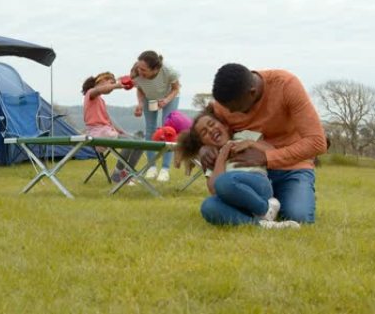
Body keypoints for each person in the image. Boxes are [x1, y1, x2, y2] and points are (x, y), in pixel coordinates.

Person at [198, 63, 327, 223]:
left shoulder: (286, 86)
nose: (230, 113)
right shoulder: (226, 103)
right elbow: (206, 130)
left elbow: (317, 142)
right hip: (248, 175)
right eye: (226, 108)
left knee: (298, 216)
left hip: (291, 169)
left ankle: (291, 196)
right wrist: (203, 148)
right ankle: (264, 218)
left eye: (236, 109)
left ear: (251, 93)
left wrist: (266, 157)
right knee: (210, 206)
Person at [176, 108, 300, 229]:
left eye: (212, 124)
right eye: (204, 133)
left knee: (224, 181)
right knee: (208, 206)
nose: (210, 130)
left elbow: (273, 152)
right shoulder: (212, 158)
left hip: (257, 185)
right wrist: (222, 157)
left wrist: (251, 143)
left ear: (224, 126)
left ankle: (265, 208)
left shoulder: (244, 136)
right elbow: (214, 190)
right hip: (234, 199)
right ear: (203, 142)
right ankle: (261, 225)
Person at [82, 72, 142, 183]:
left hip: (108, 131)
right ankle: (118, 173)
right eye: (110, 83)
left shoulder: (101, 101)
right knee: (129, 142)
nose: (112, 88)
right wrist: (117, 85)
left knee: (140, 143)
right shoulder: (91, 93)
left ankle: (128, 173)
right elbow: (101, 90)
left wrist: (121, 131)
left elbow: (108, 120)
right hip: (98, 134)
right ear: (100, 81)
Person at [131, 50, 181, 182]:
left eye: (144, 70)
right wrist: (140, 104)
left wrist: (166, 100)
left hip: (169, 97)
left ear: (156, 69)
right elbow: (140, 89)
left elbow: (176, 88)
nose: (140, 72)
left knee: (168, 129)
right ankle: (151, 167)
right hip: (150, 99)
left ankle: (165, 170)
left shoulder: (168, 71)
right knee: (150, 129)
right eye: (139, 68)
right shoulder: (136, 73)